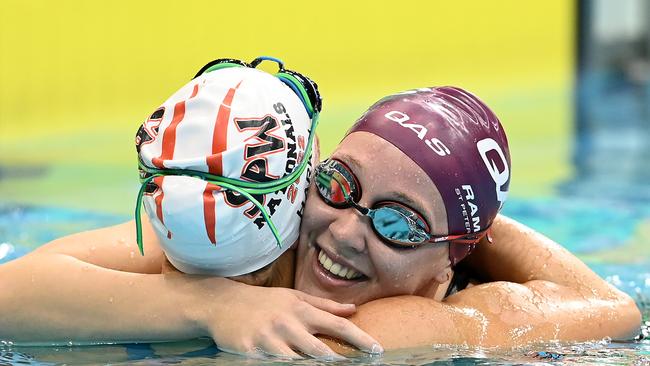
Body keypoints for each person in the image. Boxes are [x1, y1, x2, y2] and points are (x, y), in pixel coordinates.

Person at [0, 58, 641, 359]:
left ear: (448, 265)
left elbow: (615, 312)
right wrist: (208, 302)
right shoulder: (244, 246)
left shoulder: (434, 321)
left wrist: (462, 232)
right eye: (336, 185)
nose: (346, 230)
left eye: (395, 222)